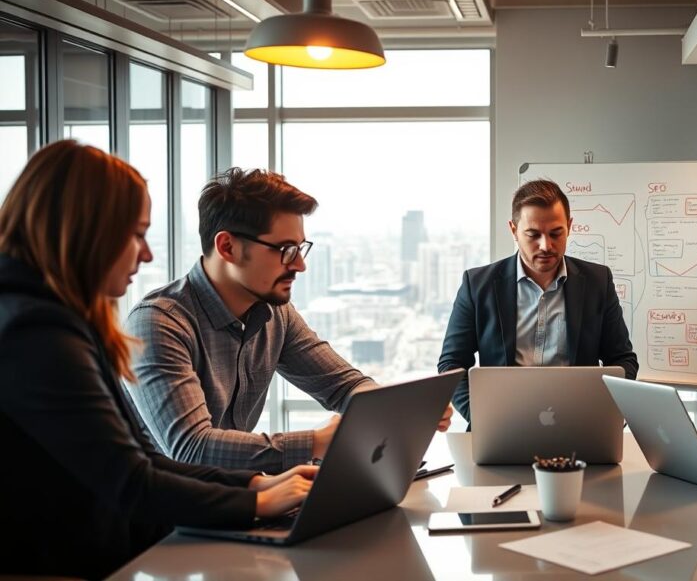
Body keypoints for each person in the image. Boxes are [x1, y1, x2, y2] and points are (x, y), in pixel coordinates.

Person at [0, 141, 315, 579]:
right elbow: (131, 481)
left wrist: (258, 483)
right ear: (85, 230)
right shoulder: (34, 333)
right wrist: (257, 502)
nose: (146, 254)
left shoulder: (58, 320)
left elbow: (147, 460)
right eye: (135, 234)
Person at [125, 167, 453, 473]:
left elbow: (343, 386)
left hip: (233, 500)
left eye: (300, 249)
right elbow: (191, 448)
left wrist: (398, 408)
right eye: (285, 250)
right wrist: (317, 443)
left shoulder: (274, 313)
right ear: (227, 247)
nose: (299, 266)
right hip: (161, 523)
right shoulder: (159, 324)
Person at [438, 179, 638, 427]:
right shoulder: (478, 285)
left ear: (570, 227)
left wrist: (607, 414)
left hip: (580, 426)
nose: (546, 246)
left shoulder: (598, 281)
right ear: (513, 230)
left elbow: (623, 360)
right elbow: (452, 364)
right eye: (533, 235)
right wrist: (481, 418)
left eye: (556, 233)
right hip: (499, 426)